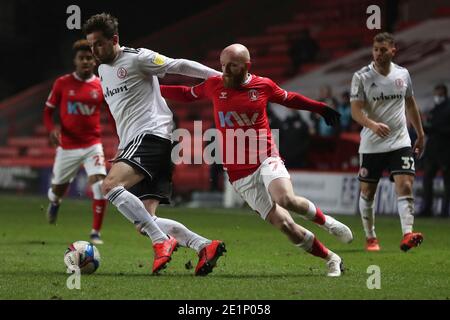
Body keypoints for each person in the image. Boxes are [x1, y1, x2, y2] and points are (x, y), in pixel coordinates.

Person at [160, 43, 353, 277]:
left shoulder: (263, 85)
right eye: (222, 65)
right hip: (238, 172)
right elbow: (184, 94)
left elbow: (289, 99)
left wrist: (319, 108)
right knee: (286, 226)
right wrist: (153, 88)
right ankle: (332, 258)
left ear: (246, 66)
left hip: (265, 156)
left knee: (285, 198)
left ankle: (328, 223)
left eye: (232, 66)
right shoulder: (214, 84)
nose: (226, 71)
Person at [83, 13, 225, 275]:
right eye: (90, 44)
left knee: (110, 186)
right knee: (146, 220)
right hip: (142, 144)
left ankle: (161, 241)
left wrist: (219, 76)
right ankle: (204, 245)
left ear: (114, 39)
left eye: (99, 43)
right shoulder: (102, 70)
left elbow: (178, 65)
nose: (94, 50)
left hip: (151, 136)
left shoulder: (137, 58)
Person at [350, 32, 425, 252]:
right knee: (368, 192)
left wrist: (420, 134)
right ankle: (371, 237)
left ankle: (407, 234)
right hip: (372, 143)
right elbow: (355, 110)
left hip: (399, 141)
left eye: (383, 50)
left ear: (393, 50)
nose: (379, 54)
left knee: (406, 184)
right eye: (376, 49)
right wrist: (372, 124)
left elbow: (410, 104)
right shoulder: (362, 76)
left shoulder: (403, 74)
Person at [44, 39, 109, 245]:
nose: (85, 61)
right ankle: (55, 202)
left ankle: (95, 232)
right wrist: (51, 129)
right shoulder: (62, 83)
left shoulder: (100, 85)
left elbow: (113, 111)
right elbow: (48, 111)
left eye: (89, 58)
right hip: (68, 146)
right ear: (75, 61)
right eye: (81, 58)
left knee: (100, 184)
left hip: (92, 144)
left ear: (94, 61)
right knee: (57, 190)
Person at [420, 84, 450, 217]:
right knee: (427, 179)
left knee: (447, 181)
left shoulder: (448, 108)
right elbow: (429, 128)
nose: (436, 96)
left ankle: (445, 210)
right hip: (432, 151)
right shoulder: (434, 109)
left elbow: (444, 129)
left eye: (438, 93)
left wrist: (433, 127)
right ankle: (427, 208)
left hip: (445, 151)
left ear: (443, 93)